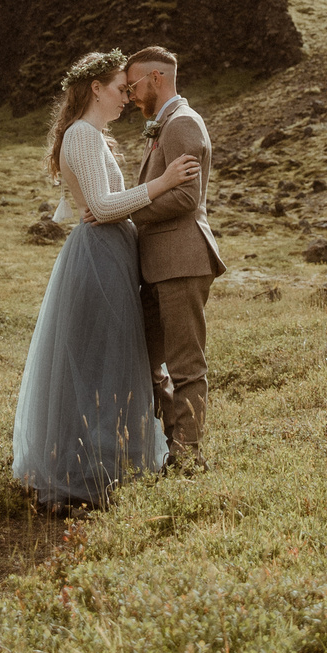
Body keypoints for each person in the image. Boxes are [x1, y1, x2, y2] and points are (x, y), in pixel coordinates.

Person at [10, 49, 201, 509]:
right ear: (95, 89)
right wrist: (164, 181)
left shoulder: (90, 135)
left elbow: (96, 204)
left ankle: (105, 463)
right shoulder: (81, 135)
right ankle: (80, 472)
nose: (126, 98)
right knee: (97, 363)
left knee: (108, 363)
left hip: (110, 254)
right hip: (98, 258)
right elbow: (103, 207)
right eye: (120, 89)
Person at [121, 46, 224, 471]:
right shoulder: (163, 126)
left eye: (133, 86)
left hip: (183, 259)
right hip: (158, 265)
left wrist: (124, 209)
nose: (129, 96)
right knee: (141, 361)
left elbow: (184, 196)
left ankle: (186, 459)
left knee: (185, 364)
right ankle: (172, 444)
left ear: (156, 79)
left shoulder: (183, 124)